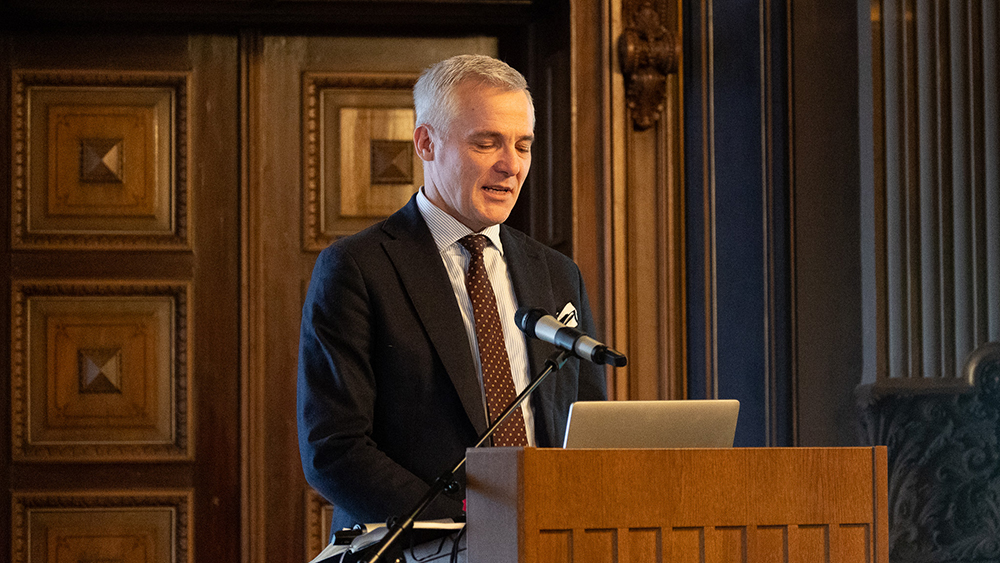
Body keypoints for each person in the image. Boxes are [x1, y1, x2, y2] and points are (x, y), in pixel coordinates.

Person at [297, 54, 607, 534]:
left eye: (523, 146)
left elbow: (583, 426)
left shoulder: (557, 274)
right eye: (487, 143)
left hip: (550, 539)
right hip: (421, 547)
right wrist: (471, 525)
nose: (511, 165)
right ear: (426, 142)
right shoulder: (357, 268)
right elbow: (334, 449)